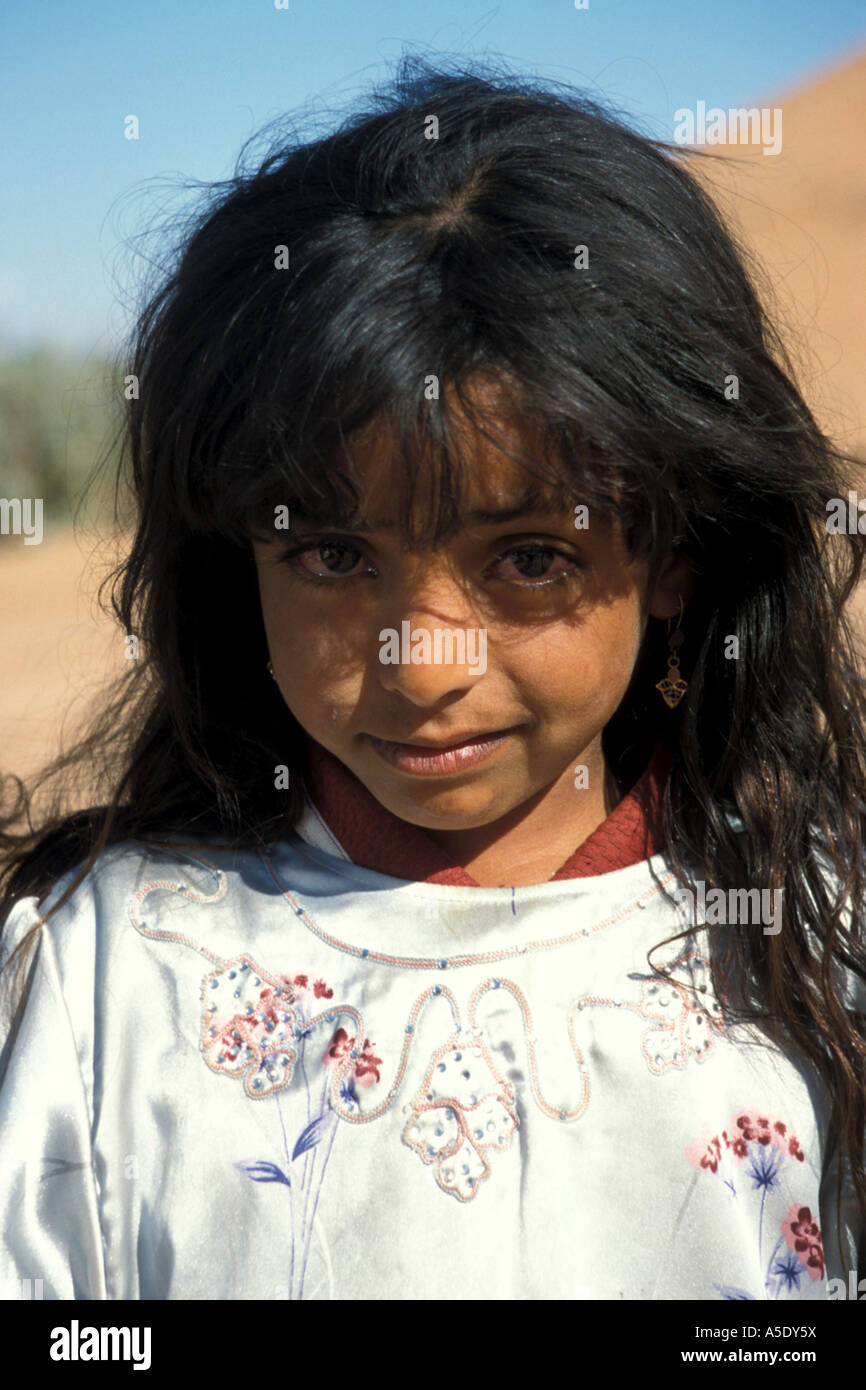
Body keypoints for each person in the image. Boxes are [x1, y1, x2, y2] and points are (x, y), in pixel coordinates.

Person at [1, 55, 864, 1302]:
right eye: (331, 554)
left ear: (674, 551)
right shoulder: (103, 983)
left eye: (527, 557)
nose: (423, 660)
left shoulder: (813, 954)